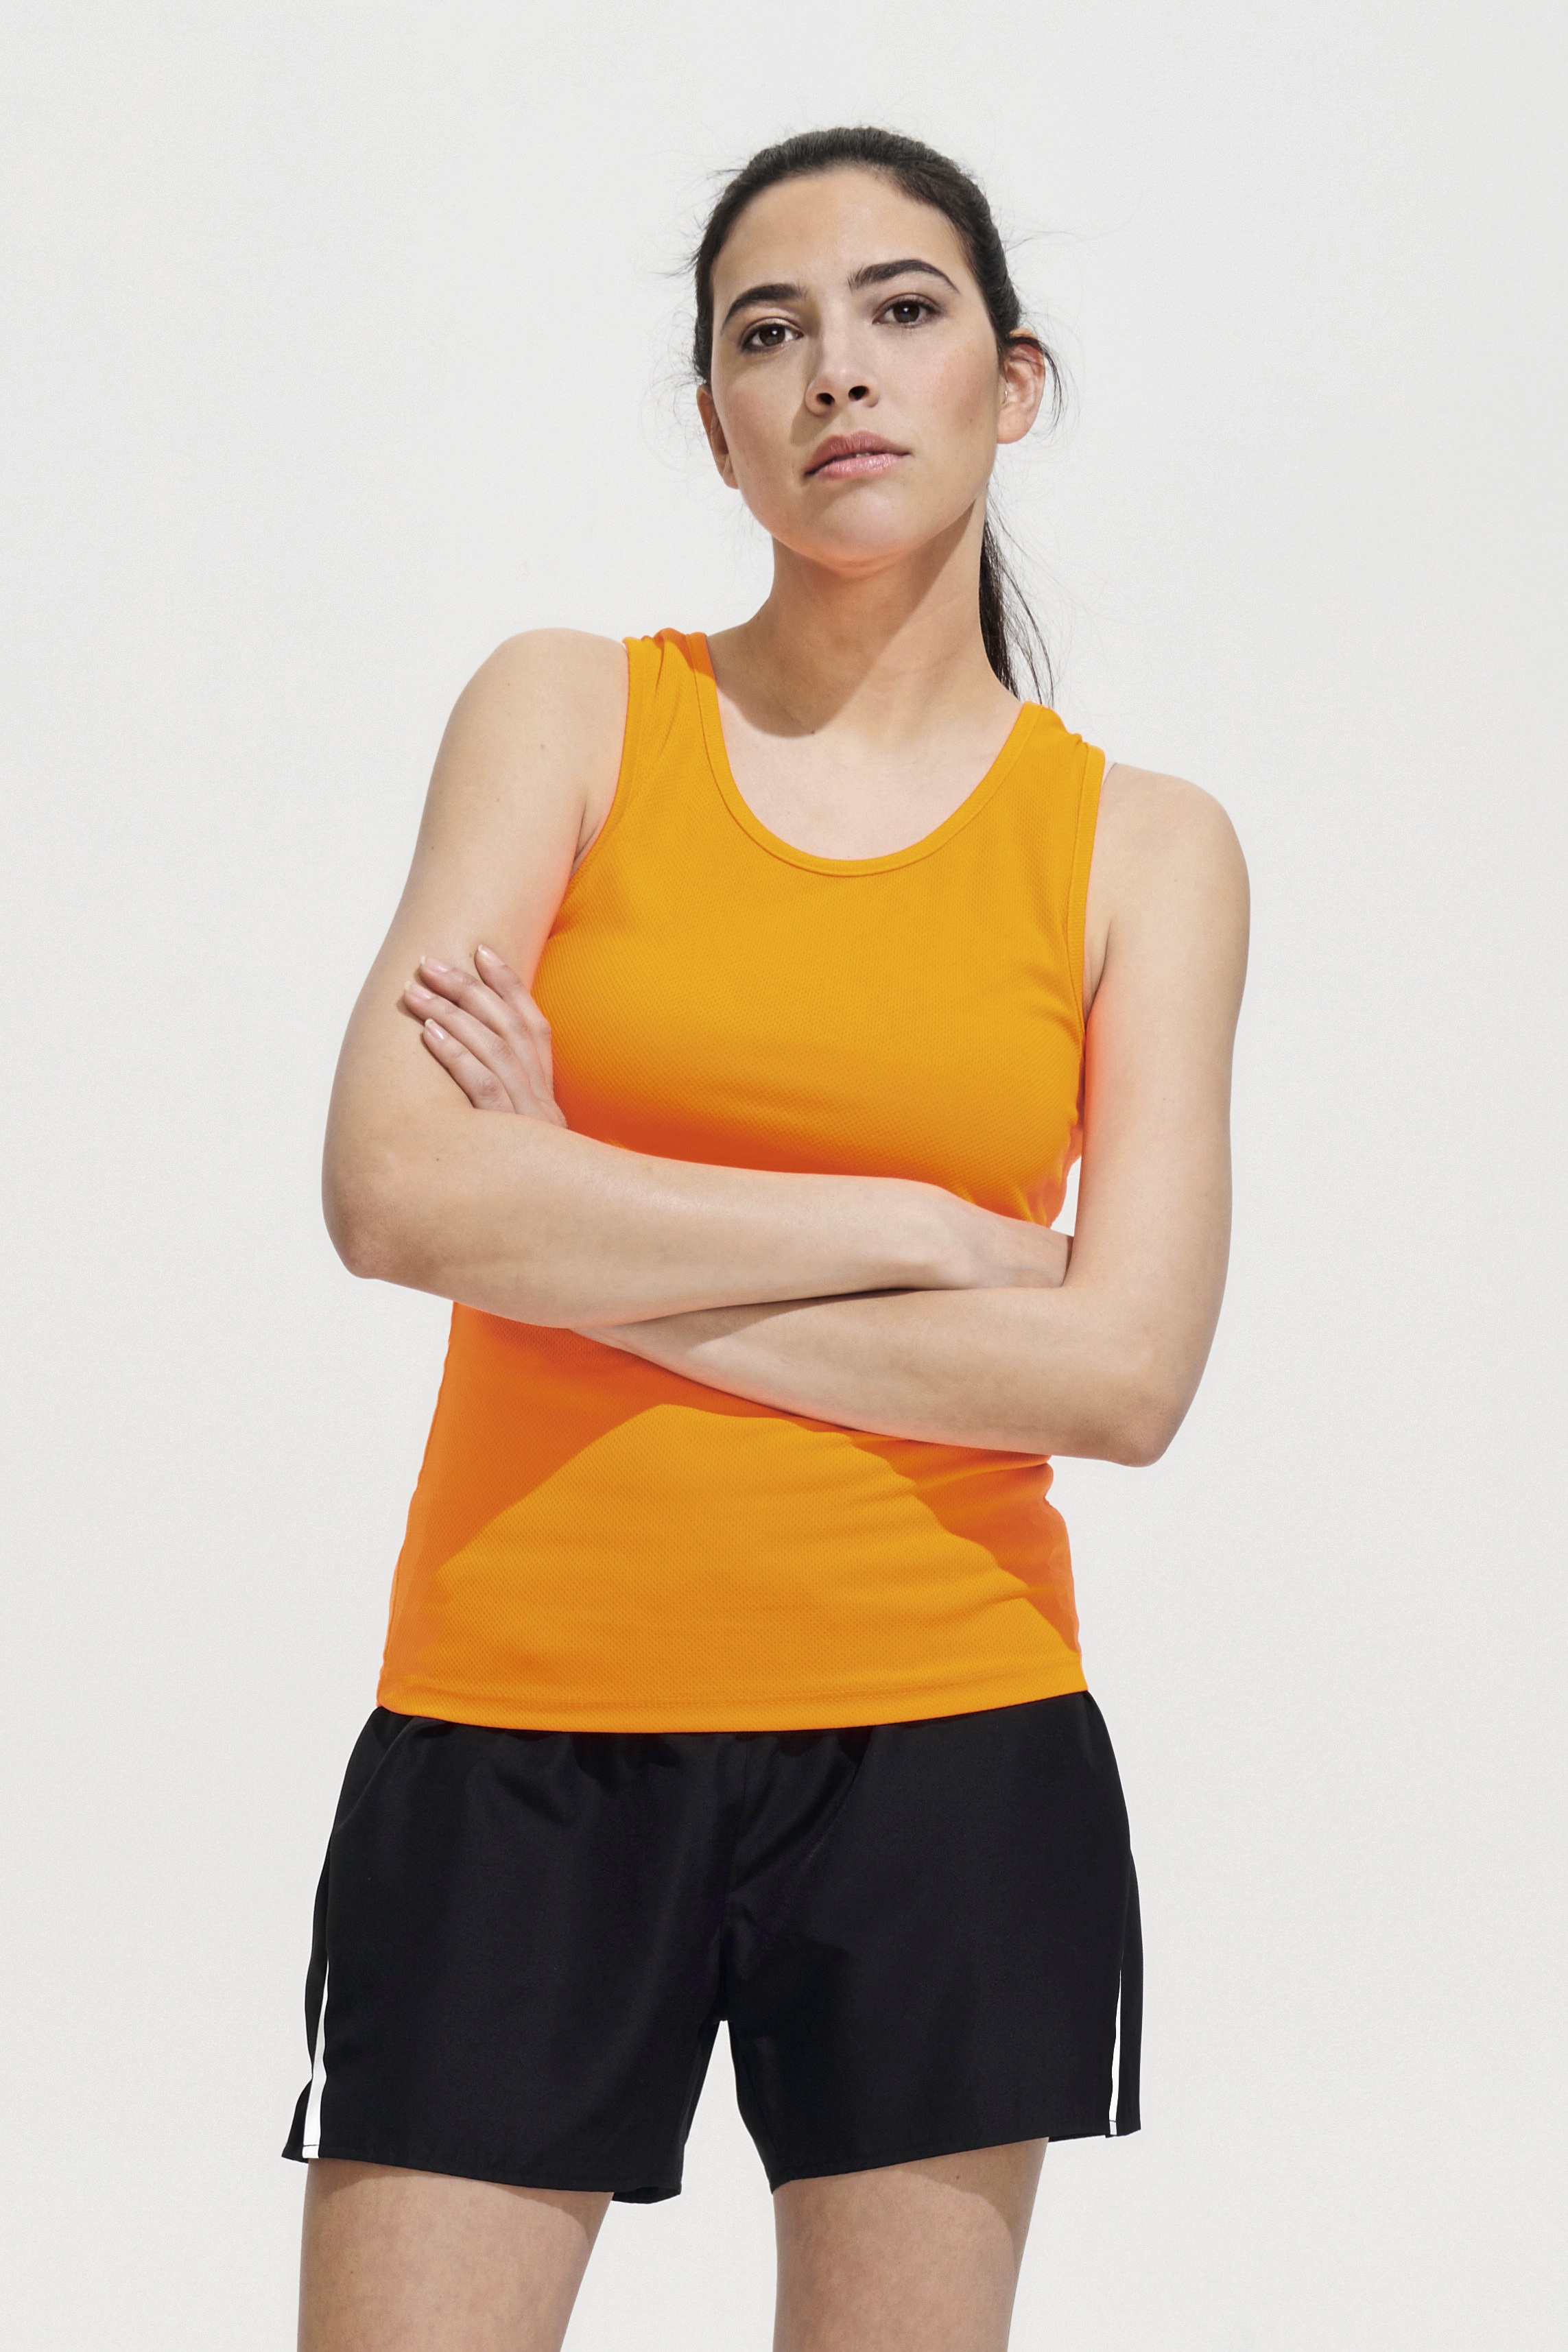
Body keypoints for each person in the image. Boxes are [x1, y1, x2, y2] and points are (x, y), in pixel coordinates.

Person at [284, 123, 1250, 2352]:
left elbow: (1122, 1377)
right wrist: (924, 1233)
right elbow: (394, 1192)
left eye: (903, 310)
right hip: (517, 1715)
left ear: (1013, 381)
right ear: (717, 422)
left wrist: (576, 1226)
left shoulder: (1145, 849)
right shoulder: (566, 712)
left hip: (946, 1736)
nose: (840, 371)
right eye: (769, 332)